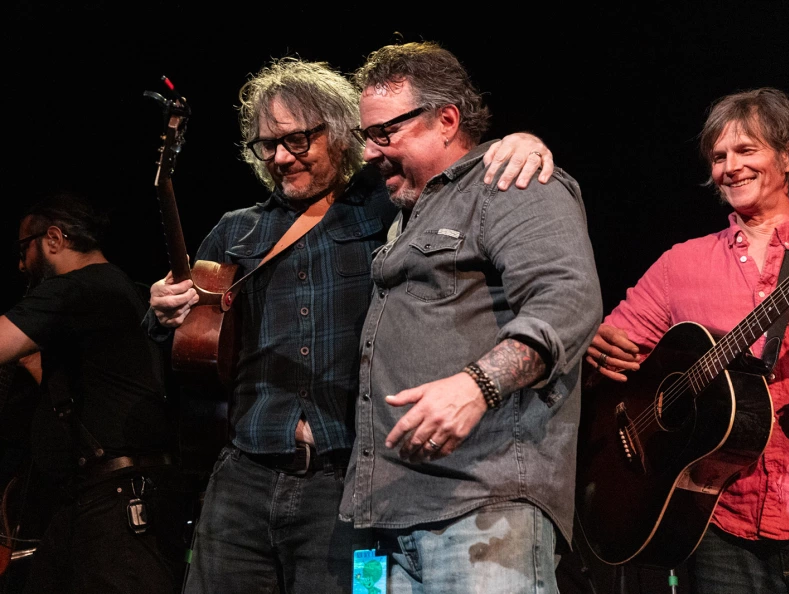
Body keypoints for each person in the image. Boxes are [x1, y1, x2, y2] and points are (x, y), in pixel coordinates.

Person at [145, 54, 558, 594]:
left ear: (341, 134)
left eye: (297, 140)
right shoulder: (234, 232)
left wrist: (525, 141)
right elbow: (182, 349)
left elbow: (458, 187)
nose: (279, 158)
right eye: (266, 145)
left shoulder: (388, 212)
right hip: (243, 477)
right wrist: (161, 313)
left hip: (345, 483)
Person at [586, 87, 789, 592]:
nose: (730, 167)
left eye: (746, 151)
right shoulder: (680, 265)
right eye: (719, 156)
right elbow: (615, 357)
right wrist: (596, 349)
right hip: (716, 521)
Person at [336, 41, 601, 593]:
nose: (369, 152)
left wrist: (477, 386)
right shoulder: (405, 212)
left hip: (482, 507)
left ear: (447, 120)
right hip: (384, 521)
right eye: (367, 136)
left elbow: (567, 301)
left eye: (384, 133)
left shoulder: (511, 182)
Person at [0, 191, 190, 594]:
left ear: (54, 239)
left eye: (24, 249)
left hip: (116, 501)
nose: (20, 265)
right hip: (100, 497)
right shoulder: (117, 287)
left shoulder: (78, 287)